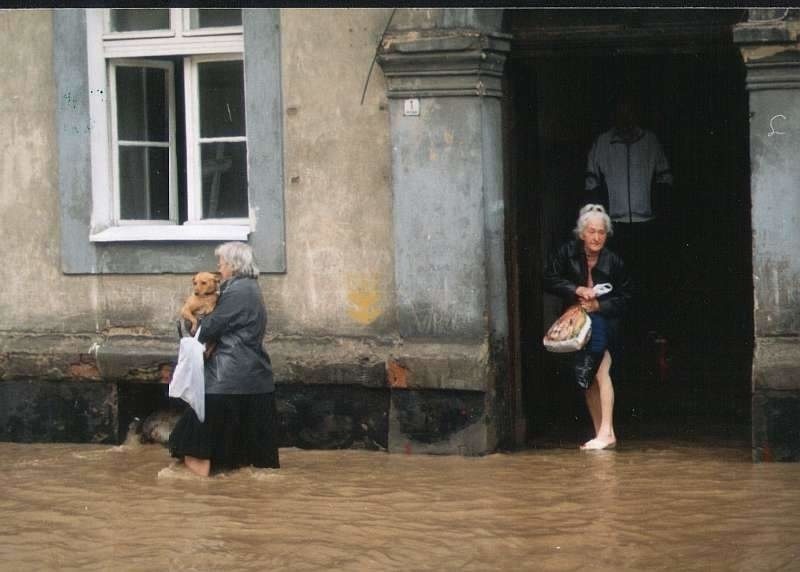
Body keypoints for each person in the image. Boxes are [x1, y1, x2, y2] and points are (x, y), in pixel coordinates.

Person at [169, 241, 280, 476]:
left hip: (227, 378)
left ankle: (200, 494)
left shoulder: (237, 291)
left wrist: (192, 323)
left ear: (233, 265)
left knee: (193, 442)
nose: (219, 268)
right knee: (246, 457)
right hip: (255, 380)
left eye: (221, 263)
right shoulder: (250, 288)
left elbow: (210, 327)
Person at [543, 204, 632, 450]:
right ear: (582, 233)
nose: (596, 237)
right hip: (579, 321)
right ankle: (602, 433)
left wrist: (599, 307)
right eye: (591, 232)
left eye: (601, 232)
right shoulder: (567, 252)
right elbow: (548, 278)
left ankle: (607, 433)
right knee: (588, 376)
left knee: (601, 369)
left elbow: (626, 298)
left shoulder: (614, 261)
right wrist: (576, 289)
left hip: (605, 320)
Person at [584, 96, 671, 339]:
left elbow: (665, 179)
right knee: (615, 281)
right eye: (620, 112)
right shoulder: (602, 143)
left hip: (646, 225)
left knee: (646, 278)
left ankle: (647, 329)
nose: (625, 118)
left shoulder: (650, 142)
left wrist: (659, 213)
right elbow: (591, 184)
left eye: (629, 112)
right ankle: (620, 332)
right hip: (615, 228)